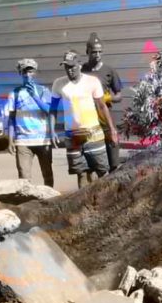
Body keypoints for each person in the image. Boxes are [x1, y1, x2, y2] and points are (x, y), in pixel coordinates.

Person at [51, 50, 119, 189]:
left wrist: (112, 129)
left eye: (72, 67)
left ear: (80, 65)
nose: (70, 70)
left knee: (101, 171)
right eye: (66, 67)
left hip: (93, 132)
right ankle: (83, 206)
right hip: (72, 135)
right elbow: (52, 109)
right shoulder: (59, 84)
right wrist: (52, 130)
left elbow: (102, 106)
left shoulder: (92, 81)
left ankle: (103, 201)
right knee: (80, 172)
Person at [5, 58, 54, 187]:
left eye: (31, 72)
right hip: (23, 141)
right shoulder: (15, 94)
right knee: (24, 178)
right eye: (25, 72)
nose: (28, 75)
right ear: (21, 74)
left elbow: (49, 111)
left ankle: (51, 201)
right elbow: (11, 118)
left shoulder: (44, 91)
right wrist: (10, 140)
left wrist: (35, 96)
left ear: (35, 73)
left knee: (47, 174)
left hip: (43, 140)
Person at [82, 32, 123, 172]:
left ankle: (114, 173)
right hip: (86, 117)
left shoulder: (109, 71)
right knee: (91, 158)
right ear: (87, 52)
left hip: (105, 116)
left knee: (112, 145)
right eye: (94, 52)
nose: (97, 54)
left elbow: (119, 95)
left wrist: (107, 98)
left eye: (100, 52)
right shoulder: (81, 71)